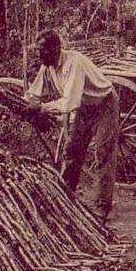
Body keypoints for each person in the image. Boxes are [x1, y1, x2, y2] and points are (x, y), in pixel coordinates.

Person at [22, 31, 119, 224]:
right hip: (85, 107)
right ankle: (66, 195)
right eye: (38, 51)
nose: (39, 56)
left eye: (43, 51)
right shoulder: (47, 66)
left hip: (104, 105)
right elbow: (34, 93)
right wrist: (25, 105)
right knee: (73, 150)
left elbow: (69, 103)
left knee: (103, 154)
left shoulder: (74, 63)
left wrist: (42, 108)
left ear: (55, 49)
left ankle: (102, 206)